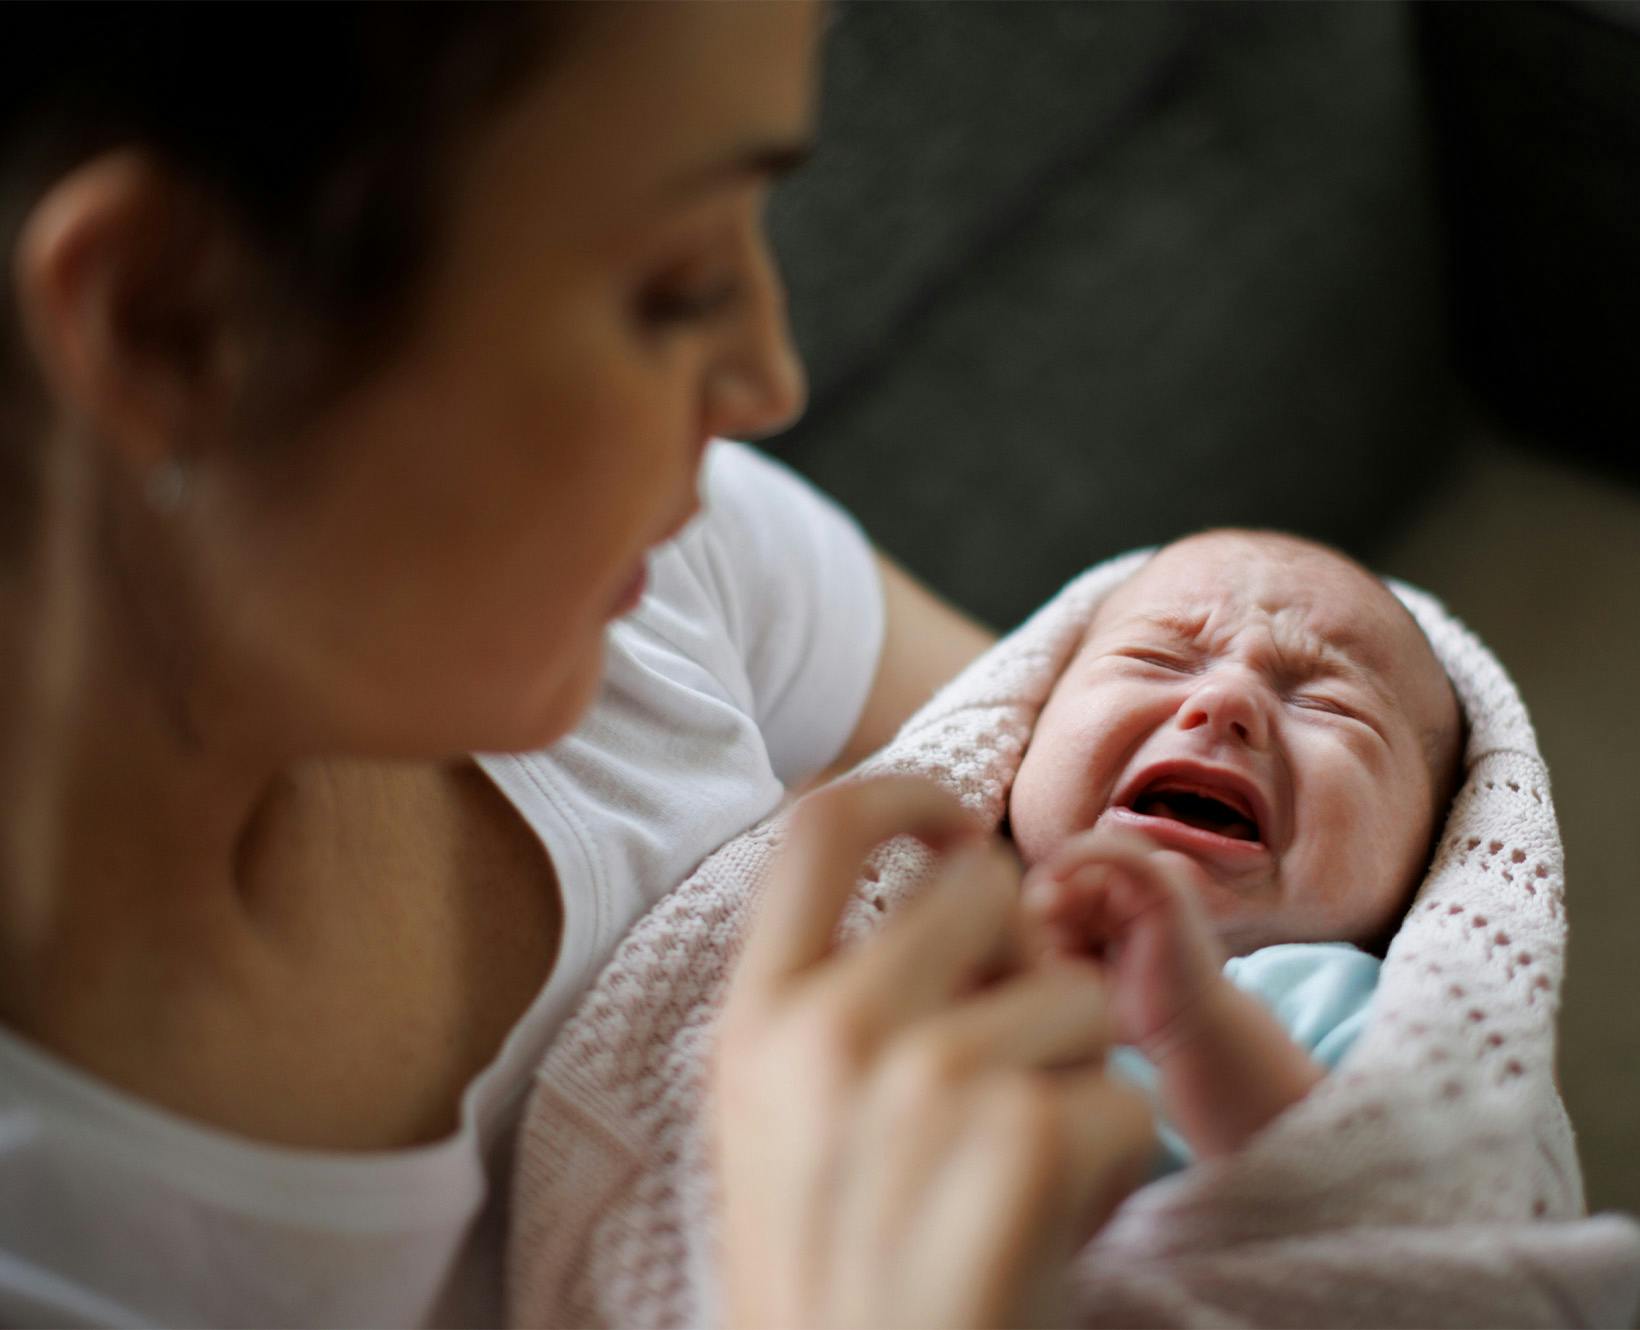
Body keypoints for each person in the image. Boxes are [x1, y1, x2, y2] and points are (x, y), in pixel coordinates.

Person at [0, 5, 1154, 1327]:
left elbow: (1305, 778)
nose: (771, 379)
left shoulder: (651, 572)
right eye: (676, 287)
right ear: (173, 320)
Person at [1014, 529, 1463, 1169]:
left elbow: (1385, 1200)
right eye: (1156, 659)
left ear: (1435, 850)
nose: (1226, 700)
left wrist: (1193, 1022)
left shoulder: (1354, 1005)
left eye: (1330, 704)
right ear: (1023, 731)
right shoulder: (940, 908)